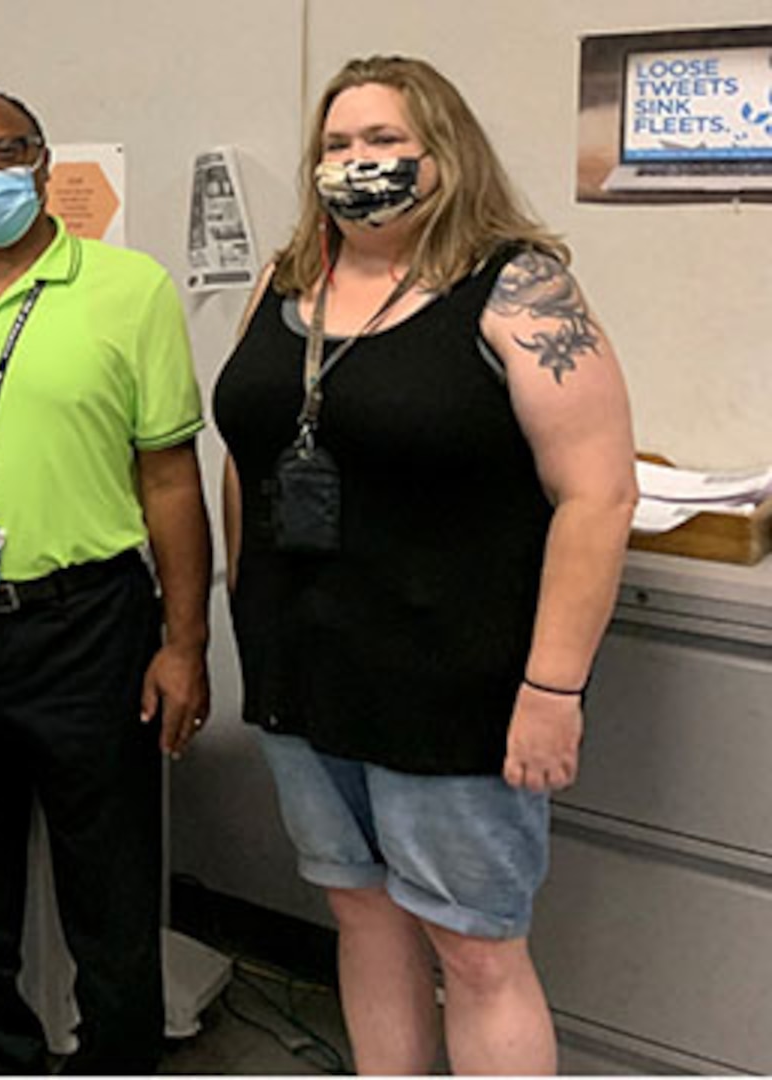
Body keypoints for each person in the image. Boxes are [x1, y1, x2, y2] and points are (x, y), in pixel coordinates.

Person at [211, 56, 638, 1075]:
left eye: (385, 142)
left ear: (443, 154)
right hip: (305, 670)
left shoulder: (516, 286)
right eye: (338, 145)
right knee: (360, 915)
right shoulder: (286, 281)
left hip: (453, 681)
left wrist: (553, 689)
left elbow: (600, 496)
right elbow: (247, 454)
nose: (358, 164)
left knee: (475, 946)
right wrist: (246, 607)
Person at [0, 88, 214, 1075]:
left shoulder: (131, 287)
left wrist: (186, 642)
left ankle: (116, 1056)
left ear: (42, 160)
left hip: (89, 622)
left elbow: (169, 474)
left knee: (108, 873)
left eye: (3, 153)